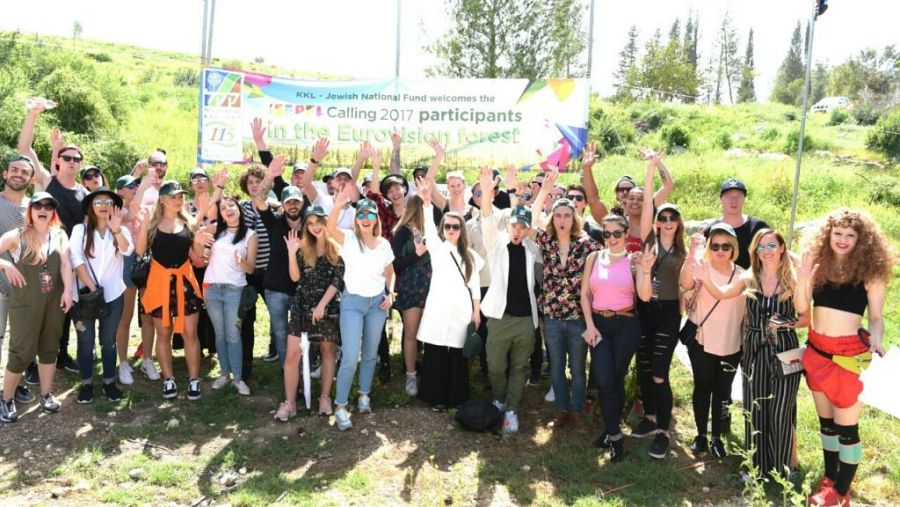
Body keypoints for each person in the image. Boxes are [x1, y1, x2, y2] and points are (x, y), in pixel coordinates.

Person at [796, 209, 891, 507]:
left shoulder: (870, 270)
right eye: (837, 233)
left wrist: (876, 339)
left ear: (862, 240)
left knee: (846, 428)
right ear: (828, 234)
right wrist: (803, 279)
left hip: (849, 359)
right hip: (816, 351)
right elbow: (802, 308)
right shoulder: (818, 265)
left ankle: (841, 492)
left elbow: (876, 317)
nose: (843, 239)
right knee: (826, 424)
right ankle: (829, 479)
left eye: (851, 235)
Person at [696, 228, 807, 479]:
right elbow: (723, 294)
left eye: (771, 246)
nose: (766, 252)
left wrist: (784, 323)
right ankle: (756, 466)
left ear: (781, 248)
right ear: (755, 252)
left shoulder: (793, 279)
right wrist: (704, 277)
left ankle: (782, 468)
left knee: (781, 408)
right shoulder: (749, 277)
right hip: (755, 347)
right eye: (761, 247)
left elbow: (805, 319)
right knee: (754, 407)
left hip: (786, 347)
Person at [529, 170, 599, 432]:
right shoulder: (545, 241)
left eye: (567, 215)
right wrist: (545, 191)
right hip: (553, 317)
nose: (562, 220)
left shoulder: (587, 244)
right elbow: (532, 220)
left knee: (578, 369)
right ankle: (561, 410)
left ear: (575, 218)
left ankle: (577, 411)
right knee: (557, 367)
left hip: (578, 317)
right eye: (558, 215)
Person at [629, 151, 688, 459]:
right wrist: (651, 167)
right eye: (662, 218)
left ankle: (664, 431)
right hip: (645, 310)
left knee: (659, 373)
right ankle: (650, 418)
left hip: (667, 313)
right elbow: (650, 196)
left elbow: (687, 284)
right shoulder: (648, 239)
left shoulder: (683, 252)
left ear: (678, 224)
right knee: (644, 367)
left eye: (671, 218)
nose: (666, 222)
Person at [581, 213, 654, 461]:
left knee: (616, 378)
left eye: (617, 233)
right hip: (599, 324)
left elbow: (644, 296)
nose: (612, 238)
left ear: (625, 235)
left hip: (626, 324)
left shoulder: (634, 261)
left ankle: (609, 432)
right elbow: (584, 295)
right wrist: (589, 326)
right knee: (603, 380)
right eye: (607, 233)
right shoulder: (593, 258)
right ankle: (615, 436)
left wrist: (646, 270)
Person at [0, 193, 74, 423]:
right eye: (38, 205)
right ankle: (7, 399)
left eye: (49, 206)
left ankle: (46, 394)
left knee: (50, 348)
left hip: (53, 302)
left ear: (53, 212)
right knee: (21, 352)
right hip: (25, 303)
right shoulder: (17, 235)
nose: (44, 209)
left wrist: (68, 291)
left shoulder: (59, 234)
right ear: (30, 210)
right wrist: (5, 264)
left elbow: (65, 264)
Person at [18, 109, 83, 373]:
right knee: (37, 309)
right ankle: (32, 362)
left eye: (75, 158)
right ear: (58, 160)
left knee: (64, 308)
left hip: (67, 260)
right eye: (65, 156)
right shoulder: (46, 180)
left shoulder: (84, 193)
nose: (70, 161)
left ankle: (61, 354)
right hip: (41, 256)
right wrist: (33, 115)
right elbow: (24, 148)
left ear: (80, 163)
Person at [477, 167, 540, 436]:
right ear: (509, 224)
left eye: (522, 227)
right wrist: (486, 190)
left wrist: (543, 191)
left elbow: (536, 219)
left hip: (526, 319)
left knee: (519, 366)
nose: (517, 230)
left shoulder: (533, 249)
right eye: (514, 225)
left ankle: (511, 408)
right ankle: (499, 398)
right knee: (495, 365)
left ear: (527, 230)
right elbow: (488, 218)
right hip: (499, 318)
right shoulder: (496, 243)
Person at [326, 189, 395, 431]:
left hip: (377, 304)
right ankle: (341, 405)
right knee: (350, 355)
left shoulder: (384, 244)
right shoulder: (349, 239)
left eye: (370, 214)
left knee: (370, 353)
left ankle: (364, 394)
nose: (365, 218)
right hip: (353, 304)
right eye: (361, 214)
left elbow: (389, 272)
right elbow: (330, 227)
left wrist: (391, 292)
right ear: (356, 219)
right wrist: (338, 205)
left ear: (376, 218)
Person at [136, 181, 207, 400]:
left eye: (180, 197)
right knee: (163, 334)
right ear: (163, 199)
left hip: (185, 283)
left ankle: (194, 379)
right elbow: (140, 251)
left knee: (189, 333)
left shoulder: (188, 222)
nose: (178, 200)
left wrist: (201, 241)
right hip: (159, 284)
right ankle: (169, 379)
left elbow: (196, 257)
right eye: (174, 197)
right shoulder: (152, 224)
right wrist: (144, 223)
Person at [680, 223, 745, 458]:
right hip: (702, 339)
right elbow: (685, 284)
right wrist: (691, 254)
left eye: (725, 245)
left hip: (732, 341)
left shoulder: (743, 274)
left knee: (722, 390)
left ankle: (717, 436)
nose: (720, 250)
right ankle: (701, 435)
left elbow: (726, 294)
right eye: (715, 245)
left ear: (733, 248)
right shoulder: (700, 266)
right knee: (702, 387)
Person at [417, 179, 481, 411]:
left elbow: (474, 287)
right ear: (442, 229)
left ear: (462, 229)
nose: (451, 230)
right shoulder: (437, 248)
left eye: (456, 226)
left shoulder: (471, 256)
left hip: (461, 310)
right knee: (434, 352)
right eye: (447, 227)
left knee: (456, 354)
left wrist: (476, 312)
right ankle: (435, 398)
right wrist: (426, 201)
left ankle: (456, 397)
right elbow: (427, 227)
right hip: (438, 308)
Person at [279, 206, 344, 419]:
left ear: (326, 222)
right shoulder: (303, 247)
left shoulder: (338, 248)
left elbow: (338, 280)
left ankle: (324, 397)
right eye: (310, 223)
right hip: (301, 306)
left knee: (328, 352)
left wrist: (322, 305)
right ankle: (289, 402)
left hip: (328, 307)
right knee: (292, 355)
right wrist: (290, 253)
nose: (315, 227)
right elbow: (295, 278)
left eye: (318, 221)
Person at [71, 188, 133, 404]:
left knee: (108, 341)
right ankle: (87, 383)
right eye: (98, 201)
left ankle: (109, 382)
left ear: (115, 207)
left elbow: (127, 251)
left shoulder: (121, 230)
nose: (103, 204)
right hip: (85, 296)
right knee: (85, 342)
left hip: (113, 295)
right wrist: (92, 288)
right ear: (91, 206)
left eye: (108, 201)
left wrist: (116, 230)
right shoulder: (80, 230)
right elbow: (76, 259)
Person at [204, 196, 257, 396]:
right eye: (223, 208)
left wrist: (240, 261)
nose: (228, 209)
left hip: (235, 290)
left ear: (239, 209)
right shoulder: (217, 232)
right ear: (222, 215)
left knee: (233, 334)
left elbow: (250, 268)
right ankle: (224, 374)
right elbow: (206, 257)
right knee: (220, 334)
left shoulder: (250, 235)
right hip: (212, 288)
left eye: (231, 205)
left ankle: (237, 378)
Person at [391, 194, 442, 396]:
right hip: (411, 285)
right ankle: (411, 375)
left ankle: (430, 374)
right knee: (411, 332)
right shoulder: (402, 232)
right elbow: (395, 265)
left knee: (431, 333)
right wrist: (416, 254)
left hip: (433, 285)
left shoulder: (435, 230)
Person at [0, 156, 39, 405]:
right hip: (0, 285)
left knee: (21, 340)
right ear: (5, 174)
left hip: (26, 288)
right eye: (14, 170)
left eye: (24, 172)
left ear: (31, 179)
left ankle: (14, 385)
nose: (18, 174)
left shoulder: (34, 209)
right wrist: (3, 263)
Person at [114, 172, 161, 383]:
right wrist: (143, 184)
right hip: (125, 262)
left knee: (148, 315)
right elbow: (129, 216)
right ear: (120, 191)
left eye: (136, 186)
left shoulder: (147, 206)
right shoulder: (116, 210)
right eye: (129, 186)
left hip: (145, 259)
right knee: (125, 315)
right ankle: (123, 363)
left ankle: (148, 359)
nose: (133, 189)